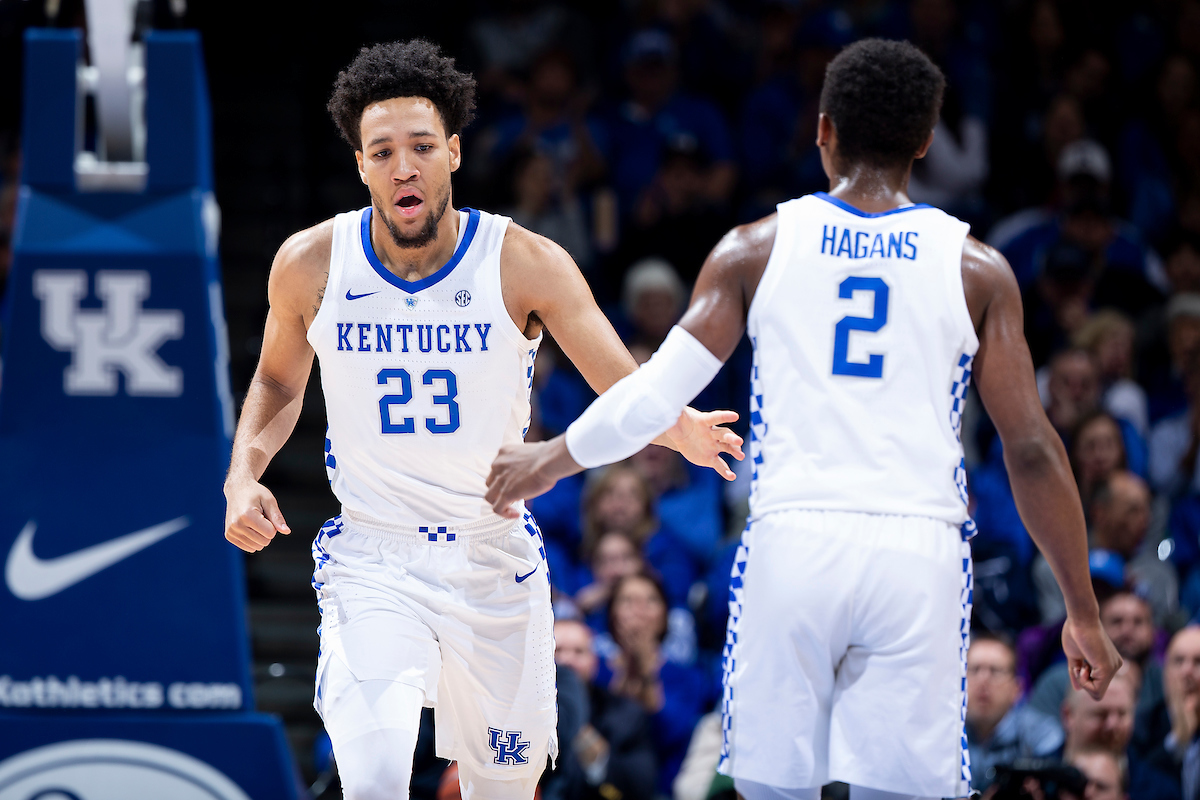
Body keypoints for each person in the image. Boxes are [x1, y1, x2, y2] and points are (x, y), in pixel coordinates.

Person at [487, 38, 1122, 800]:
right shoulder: (976, 267)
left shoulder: (756, 248)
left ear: (822, 131)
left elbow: (654, 394)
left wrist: (548, 457)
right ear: (925, 141)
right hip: (916, 547)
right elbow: (1033, 450)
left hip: (795, 539)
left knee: (771, 789)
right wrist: (1081, 609)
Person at [220, 40, 740, 800]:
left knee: (504, 786)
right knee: (372, 776)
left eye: (423, 147)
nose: (405, 167)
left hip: (491, 557)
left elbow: (618, 382)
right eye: (384, 151)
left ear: (454, 152)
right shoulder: (311, 262)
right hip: (375, 555)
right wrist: (243, 475)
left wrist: (679, 425)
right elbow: (274, 379)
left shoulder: (522, 260)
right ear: (361, 164)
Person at [548, 618, 657, 800]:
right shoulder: (515, 714)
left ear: (594, 662)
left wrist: (596, 756)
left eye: (579, 651)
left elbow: (641, 787)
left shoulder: (626, 715)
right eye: (557, 650)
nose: (567, 660)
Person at [965, 634, 1063, 792]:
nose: (983, 680)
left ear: (1017, 689)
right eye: (974, 670)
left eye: (995, 671)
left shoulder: (1043, 735)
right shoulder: (945, 735)